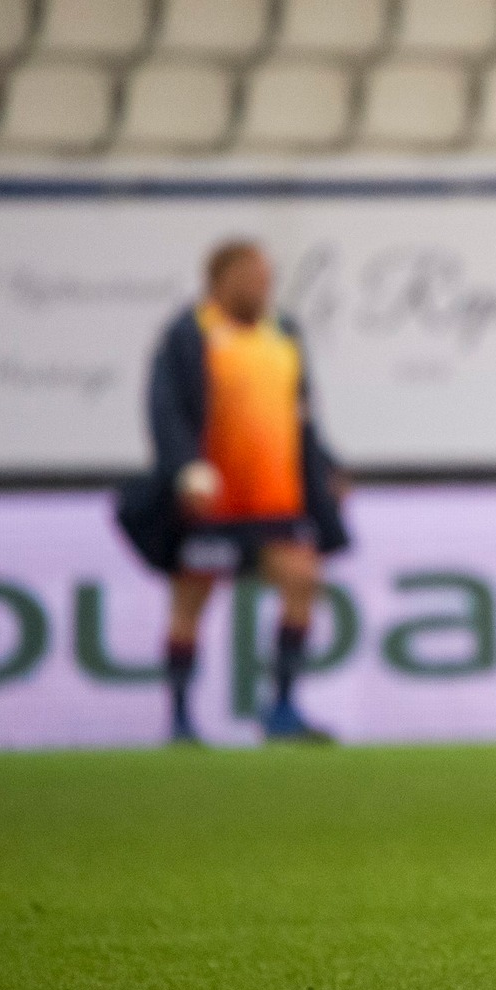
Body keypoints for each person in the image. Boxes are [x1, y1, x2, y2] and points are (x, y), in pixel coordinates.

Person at [115, 239, 349, 745]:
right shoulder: (189, 333)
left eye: (267, 277)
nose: (264, 287)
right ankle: (179, 719)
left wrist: (325, 466)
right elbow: (166, 408)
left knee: (303, 581)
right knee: (191, 601)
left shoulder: (284, 333)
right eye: (254, 277)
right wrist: (185, 470)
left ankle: (282, 707)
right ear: (222, 279)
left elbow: (302, 412)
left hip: (276, 497)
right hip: (213, 500)